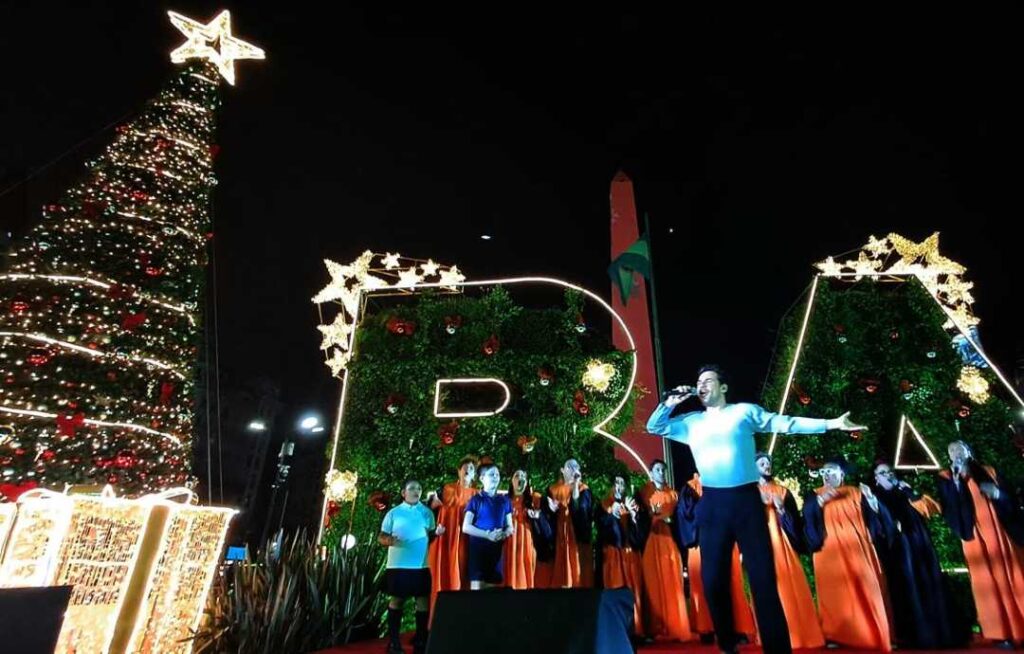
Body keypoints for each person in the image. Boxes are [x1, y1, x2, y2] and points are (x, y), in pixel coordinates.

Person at [647, 364, 865, 654]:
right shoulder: (690, 422)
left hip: (747, 502)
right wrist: (668, 404)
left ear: (723, 387)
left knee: (763, 579)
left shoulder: (743, 412)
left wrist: (832, 423)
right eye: (699, 381)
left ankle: (777, 648)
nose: (702, 385)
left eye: (709, 380)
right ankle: (727, 643)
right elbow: (654, 427)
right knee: (712, 580)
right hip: (712, 504)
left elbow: (785, 423)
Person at [936, 440, 1024, 649]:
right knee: (987, 583)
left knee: (1015, 576)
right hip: (975, 537)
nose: (956, 453)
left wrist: (998, 494)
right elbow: (948, 508)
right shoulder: (946, 477)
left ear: (969, 451)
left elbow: (1010, 497)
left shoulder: (989, 471)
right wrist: (957, 484)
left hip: (1000, 533)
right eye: (952, 451)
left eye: (960, 449)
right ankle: (1001, 633)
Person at [803, 459, 893, 652]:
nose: (827, 475)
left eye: (831, 471)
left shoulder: (857, 492)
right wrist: (819, 502)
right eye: (824, 472)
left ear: (842, 474)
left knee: (867, 589)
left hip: (857, 549)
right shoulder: (814, 495)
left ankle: (873, 633)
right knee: (834, 594)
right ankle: (835, 634)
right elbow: (807, 520)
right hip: (829, 552)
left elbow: (877, 521)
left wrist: (871, 501)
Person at [871, 462, 954, 649]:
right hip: (895, 551)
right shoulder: (874, 498)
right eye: (882, 473)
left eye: (890, 472)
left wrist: (910, 492)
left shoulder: (907, 491)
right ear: (876, 478)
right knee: (903, 588)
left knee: (925, 584)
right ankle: (907, 636)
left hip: (918, 547)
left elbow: (931, 509)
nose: (888, 475)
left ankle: (935, 633)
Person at [755, 452, 824, 650]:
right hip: (761, 543)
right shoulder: (750, 491)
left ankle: (799, 630)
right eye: (762, 463)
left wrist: (782, 511)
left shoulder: (783, 491)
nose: (766, 466)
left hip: (783, 542)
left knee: (790, 583)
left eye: (768, 462)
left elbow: (795, 521)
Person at [682, 473, 756, 644]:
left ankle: (737, 628)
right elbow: (687, 514)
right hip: (702, 539)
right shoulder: (690, 487)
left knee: (732, 582)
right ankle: (706, 628)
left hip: (727, 538)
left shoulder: (728, 480)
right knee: (704, 584)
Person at [380, 479, 445, 654]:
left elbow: (430, 537)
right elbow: (382, 536)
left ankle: (421, 640)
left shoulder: (427, 513)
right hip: (398, 565)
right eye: (412, 488)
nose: (416, 491)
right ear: (403, 493)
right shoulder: (393, 513)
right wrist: (390, 540)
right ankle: (394, 642)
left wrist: (436, 534)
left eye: (419, 488)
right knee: (397, 600)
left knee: (422, 601)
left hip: (421, 565)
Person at [637, 460, 693, 642]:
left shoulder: (674, 495)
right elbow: (638, 518)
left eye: (663, 470)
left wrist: (670, 521)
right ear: (651, 473)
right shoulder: (643, 492)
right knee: (652, 584)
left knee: (673, 583)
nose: (661, 472)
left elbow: (680, 518)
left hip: (670, 542)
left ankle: (676, 627)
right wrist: (650, 516)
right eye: (657, 470)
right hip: (650, 542)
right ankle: (652, 629)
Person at [596, 475, 645, 637]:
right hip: (612, 554)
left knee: (633, 591)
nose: (619, 486)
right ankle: (616, 629)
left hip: (630, 553)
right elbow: (600, 528)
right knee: (614, 589)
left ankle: (636, 629)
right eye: (616, 482)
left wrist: (633, 516)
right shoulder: (603, 505)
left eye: (622, 483)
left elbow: (639, 531)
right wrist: (612, 515)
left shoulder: (631, 504)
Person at [427, 455, 477, 609]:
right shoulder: (447, 489)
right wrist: (433, 505)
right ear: (459, 471)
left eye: (471, 469)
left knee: (463, 574)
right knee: (444, 574)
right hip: (446, 538)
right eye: (465, 468)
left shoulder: (477, 494)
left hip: (466, 539)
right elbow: (431, 508)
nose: (468, 471)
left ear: (475, 474)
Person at [538, 458, 594, 588]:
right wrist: (551, 510)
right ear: (562, 470)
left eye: (576, 467)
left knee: (579, 572)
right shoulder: (552, 489)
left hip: (576, 536)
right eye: (569, 467)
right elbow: (546, 515)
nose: (573, 469)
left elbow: (583, 512)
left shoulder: (583, 489)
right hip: (558, 536)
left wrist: (575, 486)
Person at [462, 462, 514, 589]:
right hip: (478, 552)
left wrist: (504, 533)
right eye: (491, 474)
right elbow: (466, 527)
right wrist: (487, 535)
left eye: (497, 474)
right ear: (482, 478)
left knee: (492, 596)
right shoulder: (476, 500)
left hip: (495, 552)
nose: (495, 477)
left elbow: (510, 526)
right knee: (477, 594)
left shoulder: (505, 501)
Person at [504, 469, 547, 589]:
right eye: (517, 475)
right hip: (508, 543)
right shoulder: (504, 501)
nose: (520, 478)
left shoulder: (534, 500)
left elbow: (547, 512)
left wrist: (537, 515)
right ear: (512, 481)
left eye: (523, 476)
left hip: (526, 541)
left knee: (525, 570)